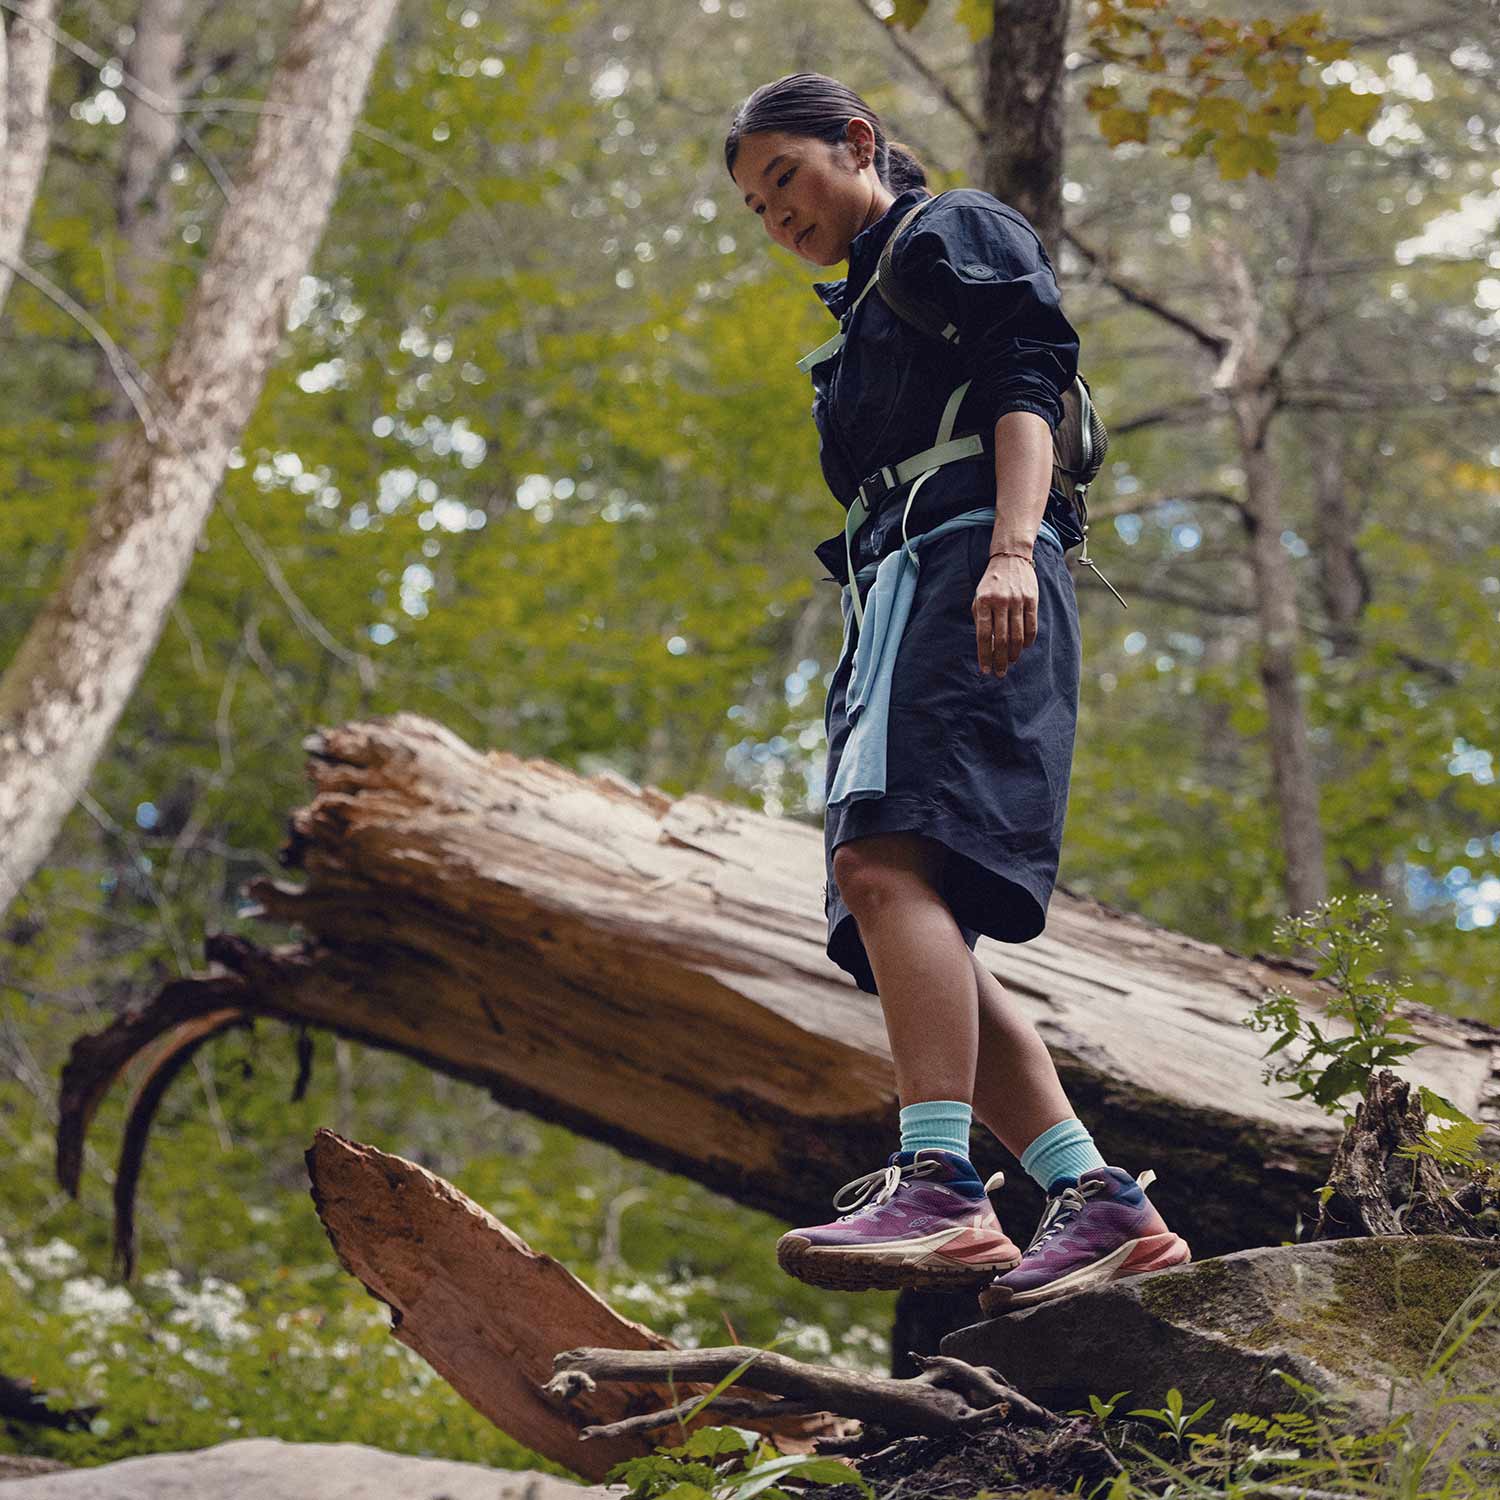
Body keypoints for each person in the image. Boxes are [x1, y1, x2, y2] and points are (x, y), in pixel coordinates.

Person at [724, 73, 1190, 1313]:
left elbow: (1027, 382)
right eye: (758, 207)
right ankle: (1099, 1201)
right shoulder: (862, 301)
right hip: (898, 597)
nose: (778, 214)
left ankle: (939, 1181)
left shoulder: (952, 230)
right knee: (899, 915)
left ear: (858, 143)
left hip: (972, 569)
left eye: (787, 178)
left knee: (881, 869)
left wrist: (1009, 551)